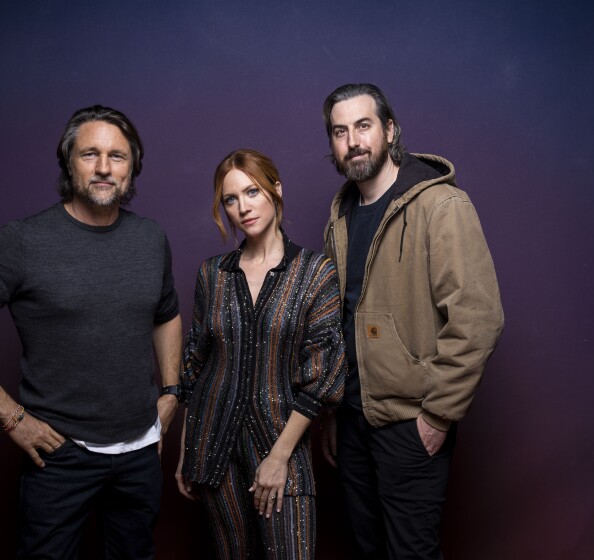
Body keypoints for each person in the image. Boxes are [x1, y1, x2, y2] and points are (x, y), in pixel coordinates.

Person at [0, 105, 182, 559]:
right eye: (90, 154)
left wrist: (171, 391)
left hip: (141, 450)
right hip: (60, 454)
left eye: (117, 156)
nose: (104, 168)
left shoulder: (150, 238)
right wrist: (12, 417)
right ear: (69, 162)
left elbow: (166, 314)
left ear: (132, 167)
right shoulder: (24, 241)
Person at [319, 83, 505, 559]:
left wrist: (437, 415)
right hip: (354, 420)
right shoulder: (340, 217)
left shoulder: (441, 206)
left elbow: (478, 318)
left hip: (410, 421)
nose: (353, 141)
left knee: (411, 554)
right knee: (368, 549)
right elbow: (340, 321)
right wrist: (336, 411)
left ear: (390, 130)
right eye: (340, 132)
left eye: (363, 126)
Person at [175, 149, 346, 559]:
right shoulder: (212, 274)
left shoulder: (313, 272)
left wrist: (279, 457)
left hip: (280, 442)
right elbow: (195, 365)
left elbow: (324, 374)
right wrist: (186, 451)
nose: (242, 207)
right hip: (213, 449)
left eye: (252, 191)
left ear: (276, 190)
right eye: (231, 199)